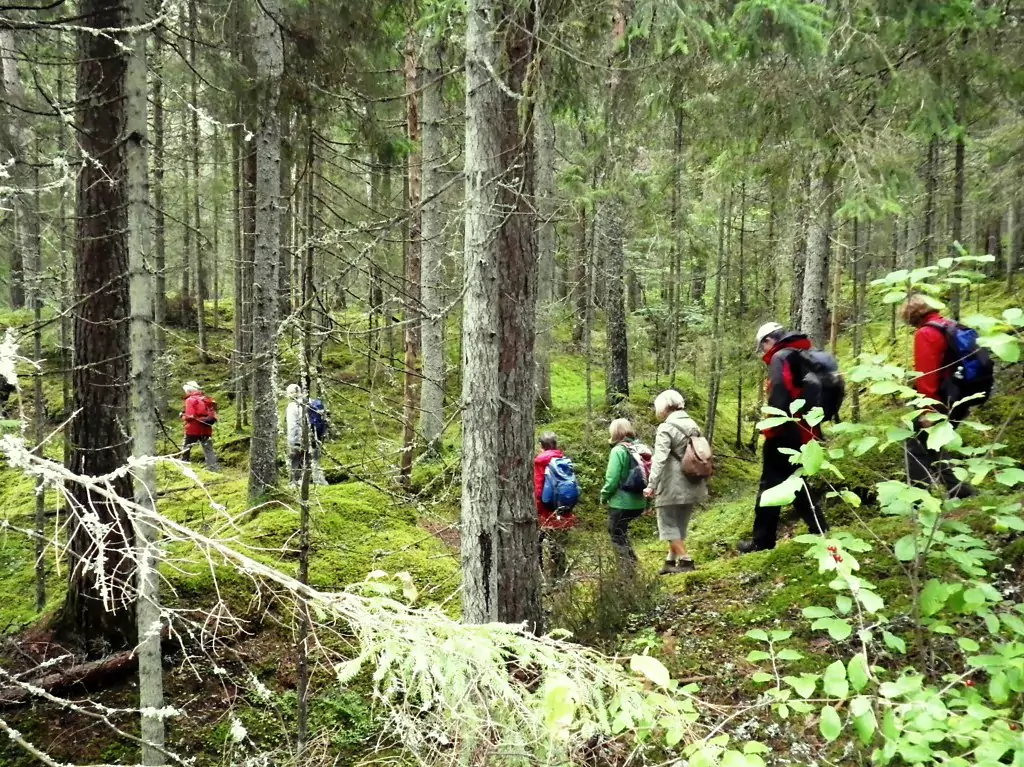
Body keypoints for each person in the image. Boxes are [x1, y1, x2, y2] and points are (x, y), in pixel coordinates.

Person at [738, 322, 828, 553]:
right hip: (805, 431)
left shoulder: (780, 358)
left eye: (762, 346)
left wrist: (772, 427)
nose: (763, 352)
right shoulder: (802, 354)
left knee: (769, 487)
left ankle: (762, 541)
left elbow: (780, 392)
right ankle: (819, 528)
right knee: (796, 483)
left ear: (769, 340)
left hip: (785, 432)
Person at [900, 295, 978, 497]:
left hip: (940, 399)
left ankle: (917, 497)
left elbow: (927, 375)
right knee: (934, 445)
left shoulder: (926, 333)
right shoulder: (949, 325)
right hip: (960, 395)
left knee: (915, 445)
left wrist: (927, 410)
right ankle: (959, 490)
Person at [644, 390, 708, 574]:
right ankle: (670, 562)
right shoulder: (693, 424)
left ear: (664, 407)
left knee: (666, 523)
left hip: (672, 483)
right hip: (693, 480)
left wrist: (651, 485)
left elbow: (659, 459)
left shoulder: (666, 428)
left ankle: (686, 561)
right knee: (679, 523)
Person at [599, 418, 648, 564]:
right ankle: (633, 564)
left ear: (614, 432)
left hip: (621, 503)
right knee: (621, 533)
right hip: (639, 502)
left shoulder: (618, 451)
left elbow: (612, 479)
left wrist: (604, 497)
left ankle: (626, 573)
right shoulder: (639, 448)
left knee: (616, 535)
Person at [533, 432, 578, 577]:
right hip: (565, 512)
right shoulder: (564, 461)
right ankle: (561, 577)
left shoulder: (541, 462)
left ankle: (546, 578)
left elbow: (538, 490)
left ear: (541, 446)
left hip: (547, 513)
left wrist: (538, 512)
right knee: (559, 547)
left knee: (543, 546)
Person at [286, 383, 328, 488]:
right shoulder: (310, 402)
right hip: (313, 437)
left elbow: (292, 427)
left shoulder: (292, 406)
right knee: (313, 461)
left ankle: (294, 484)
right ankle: (320, 483)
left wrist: (291, 444)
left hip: (299, 440)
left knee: (296, 462)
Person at [181, 381, 219, 471]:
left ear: (189, 391)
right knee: (209, 450)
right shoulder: (206, 399)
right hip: (206, 429)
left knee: (186, 448)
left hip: (193, 430)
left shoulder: (190, 400)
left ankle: (184, 467)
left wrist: (182, 416)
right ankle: (214, 469)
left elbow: (190, 416)